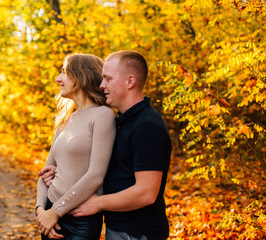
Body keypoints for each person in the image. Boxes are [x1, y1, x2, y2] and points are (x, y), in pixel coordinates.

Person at [39, 50, 172, 240]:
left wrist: (99, 203)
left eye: (108, 79)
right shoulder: (122, 121)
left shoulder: (147, 127)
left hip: (139, 232)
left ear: (130, 81)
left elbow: (146, 193)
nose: (102, 85)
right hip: (117, 226)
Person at [35, 53, 116, 240]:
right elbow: (45, 173)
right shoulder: (65, 118)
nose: (58, 79)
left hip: (80, 221)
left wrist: (56, 211)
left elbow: (95, 176)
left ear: (81, 76)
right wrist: (40, 209)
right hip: (50, 217)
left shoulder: (102, 115)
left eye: (64, 72)